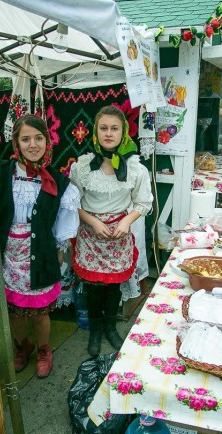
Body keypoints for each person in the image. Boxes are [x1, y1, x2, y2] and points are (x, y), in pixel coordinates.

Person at [0, 114, 80, 377]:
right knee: (14, 312)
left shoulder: (58, 182)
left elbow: (63, 224)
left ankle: (44, 349)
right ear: (16, 142)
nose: (33, 145)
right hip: (8, 257)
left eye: (39, 138)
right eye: (26, 139)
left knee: (39, 313)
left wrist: (59, 251)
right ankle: (22, 345)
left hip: (41, 255)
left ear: (48, 141)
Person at [69, 105, 153, 357]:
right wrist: (93, 222)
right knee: (94, 288)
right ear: (95, 131)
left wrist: (127, 221)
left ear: (123, 132)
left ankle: (110, 327)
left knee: (114, 286)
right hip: (91, 235)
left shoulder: (135, 168)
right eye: (103, 128)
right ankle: (95, 330)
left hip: (119, 235)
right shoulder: (82, 167)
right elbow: (72, 203)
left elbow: (143, 203)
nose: (108, 133)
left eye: (114, 128)